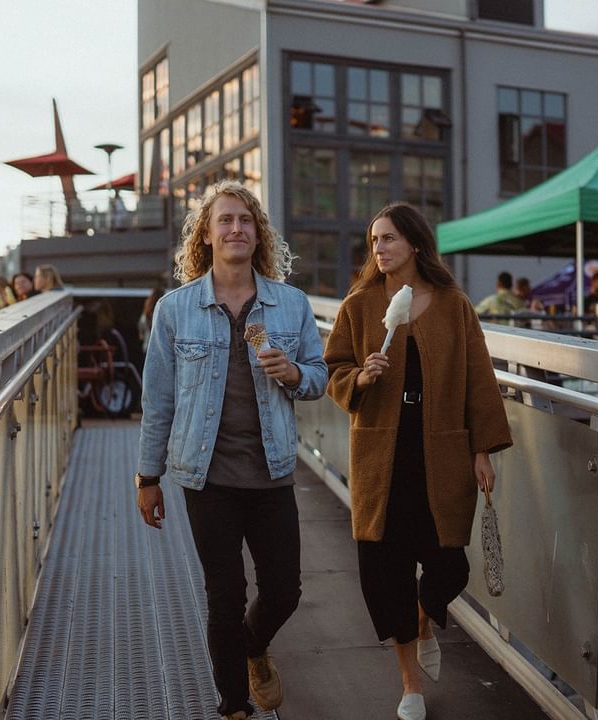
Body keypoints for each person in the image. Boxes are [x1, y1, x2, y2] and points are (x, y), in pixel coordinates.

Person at [135, 180, 327, 720]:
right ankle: (234, 707)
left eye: (245, 219)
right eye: (225, 220)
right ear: (207, 233)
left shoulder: (290, 304)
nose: (236, 228)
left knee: (284, 591)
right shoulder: (176, 310)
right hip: (207, 477)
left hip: (273, 471)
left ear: (257, 232)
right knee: (224, 595)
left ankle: (252, 647)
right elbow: (158, 400)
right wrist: (147, 477)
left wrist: (293, 372)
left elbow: (319, 377)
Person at [324, 203, 513, 720]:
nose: (379, 249)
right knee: (386, 571)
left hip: (442, 452)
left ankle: (425, 616)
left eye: (388, 239)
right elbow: (333, 368)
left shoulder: (454, 306)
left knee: (449, 565)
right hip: (381, 455)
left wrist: (481, 451)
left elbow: (479, 380)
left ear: (414, 243)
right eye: (374, 241)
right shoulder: (360, 305)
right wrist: (360, 377)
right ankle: (411, 686)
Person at [138, 286, 164, 355]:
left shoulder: (146, 314)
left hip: (147, 346)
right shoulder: (163, 312)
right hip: (160, 348)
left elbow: (141, 335)